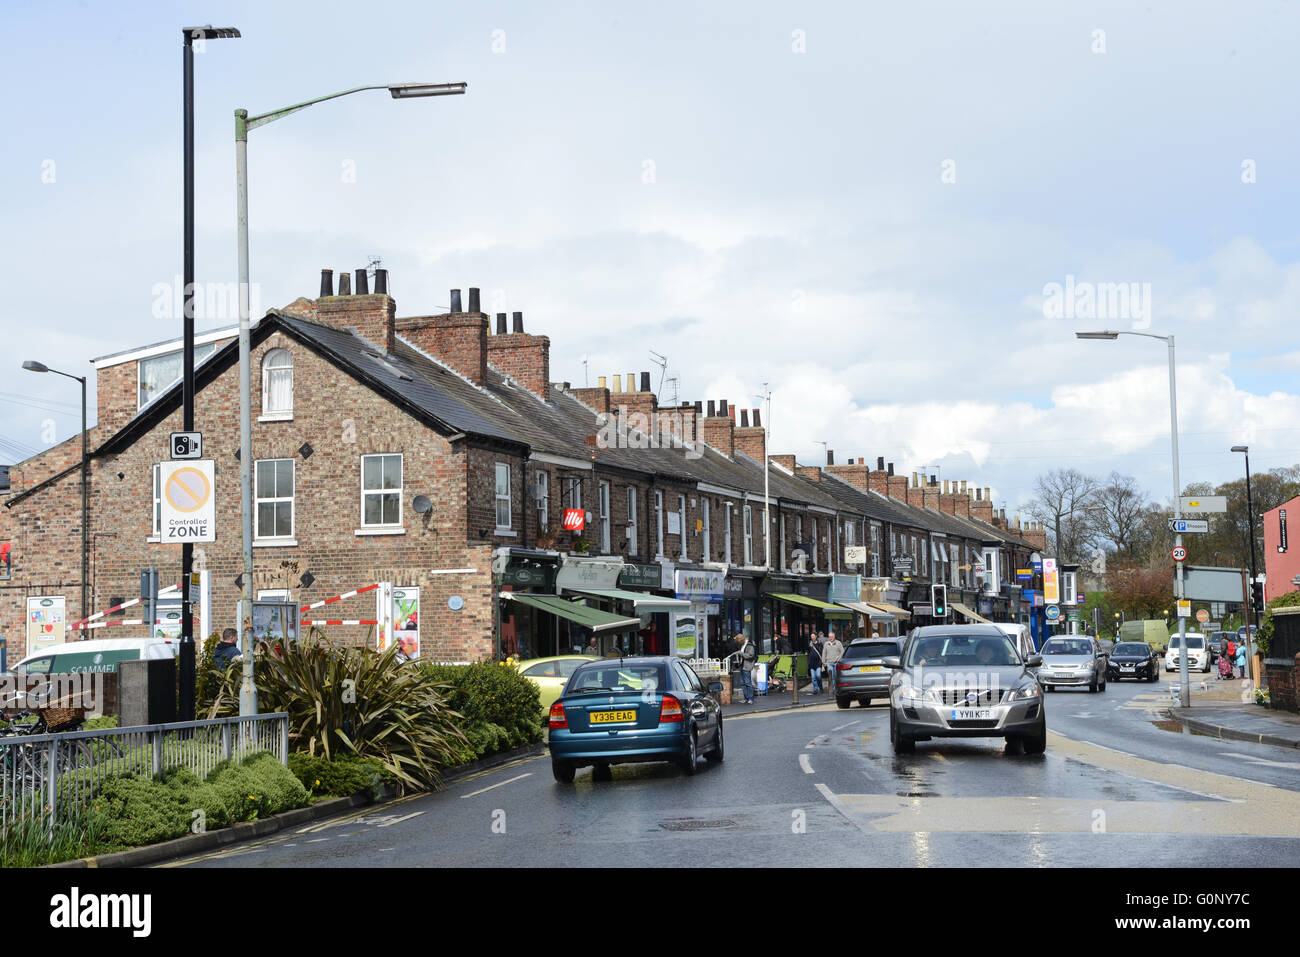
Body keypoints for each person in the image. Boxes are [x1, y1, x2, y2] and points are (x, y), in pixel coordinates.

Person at [737, 633, 756, 704]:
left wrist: (740, 653)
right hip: (742, 665)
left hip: (747, 665)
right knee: (742, 683)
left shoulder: (750, 646)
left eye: (739, 642)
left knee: (748, 683)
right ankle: (746, 698)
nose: (739, 643)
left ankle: (750, 699)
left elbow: (750, 655)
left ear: (742, 640)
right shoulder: (743, 645)